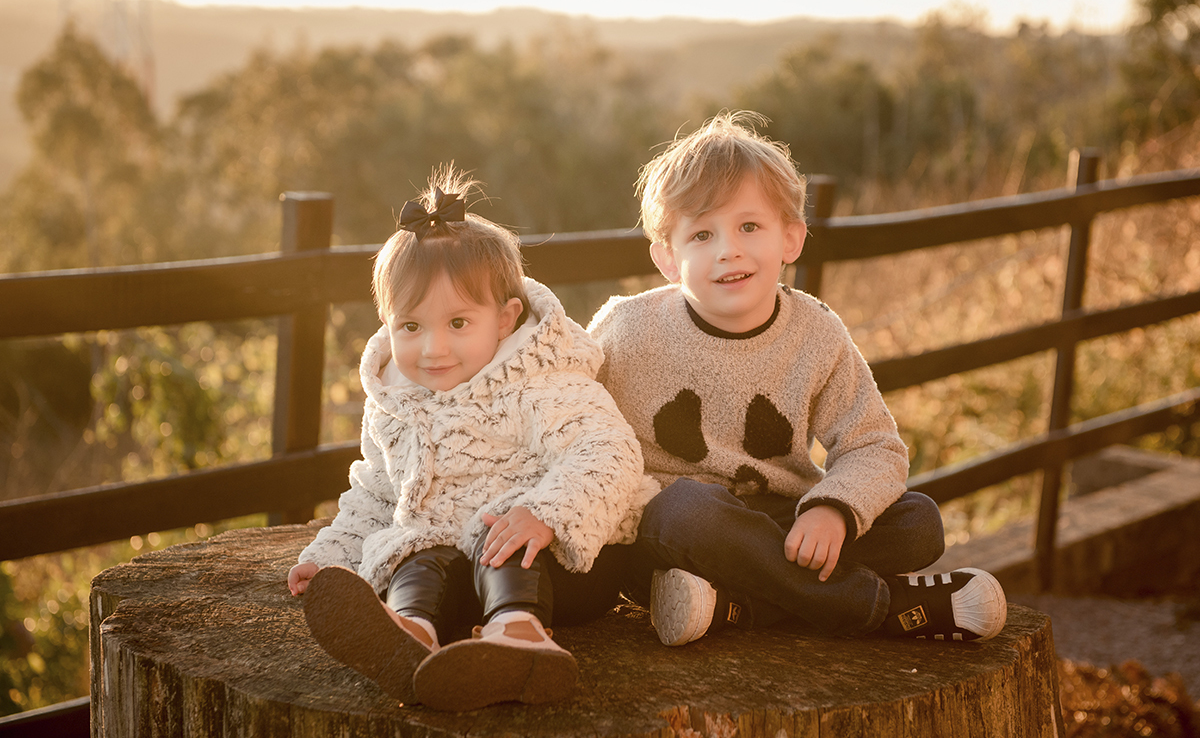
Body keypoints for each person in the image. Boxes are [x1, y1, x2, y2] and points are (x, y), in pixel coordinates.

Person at [588, 112, 1007, 647]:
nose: (728, 250)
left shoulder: (816, 332)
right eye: (701, 234)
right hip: (673, 533)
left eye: (749, 226)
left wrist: (833, 508)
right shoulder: (627, 329)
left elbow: (874, 445)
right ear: (668, 258)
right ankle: (876, 606)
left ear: (791, 238)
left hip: (784, 525)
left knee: (918, 522)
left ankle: (735, 608)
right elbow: (570, 413)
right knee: (686, 510)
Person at [288, 165, 657, 711]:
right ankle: (408, 635)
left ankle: (520, 636)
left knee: (499, 532)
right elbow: (375, 496)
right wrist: (332, 558)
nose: (433, 348)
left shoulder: (538, 383)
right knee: (413, 551)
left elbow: (610, 453)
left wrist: (547, 513)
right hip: (458, 573)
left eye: (458, 323)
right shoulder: (395, 402)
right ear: (387, 323)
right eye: (411, 327)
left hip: (566, 564)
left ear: (505, 320)